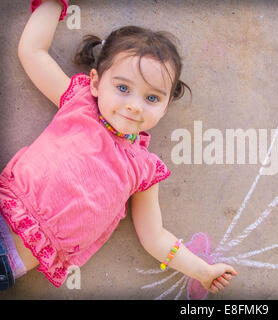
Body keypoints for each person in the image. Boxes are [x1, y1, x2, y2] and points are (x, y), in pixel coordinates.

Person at [0, 0, 238, 293]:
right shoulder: (80, 104)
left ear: (164, 108)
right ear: (97, 83)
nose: (135, 106)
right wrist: (52, 4)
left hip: (8, 264)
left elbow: (155, 237)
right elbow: (32, 52)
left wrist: (202, 270)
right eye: (123, 88)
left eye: (152, 98)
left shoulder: (143, 170)